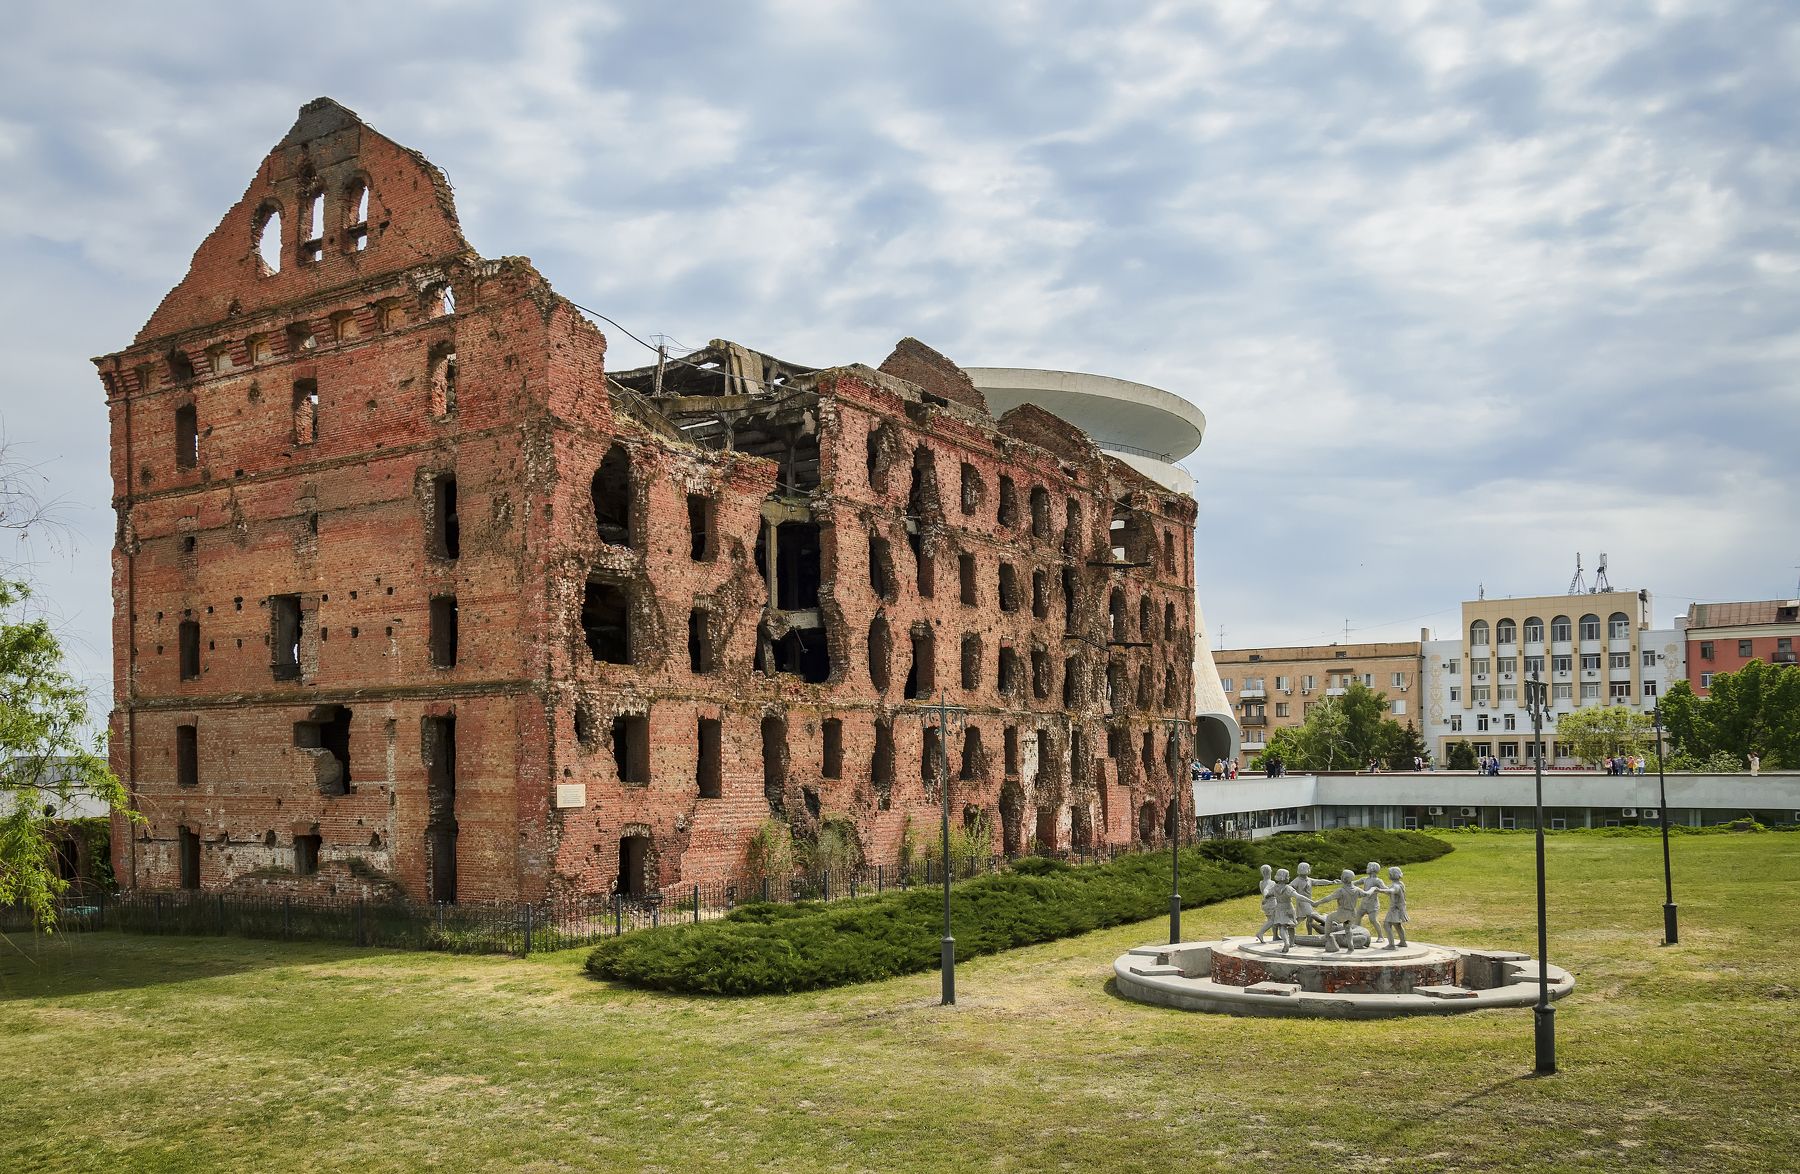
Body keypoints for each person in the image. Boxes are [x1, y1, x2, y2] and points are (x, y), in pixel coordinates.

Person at [1381, 865, 1409, 948]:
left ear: (1393, 875)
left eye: (1389, 874)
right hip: (1399, 908)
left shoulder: (1396, 886)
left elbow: (1392, 890)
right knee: (1397, 925)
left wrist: (1379, 890)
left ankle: (1391, 944)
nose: (1388, 875)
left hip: (1395, 909)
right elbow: (1389, 890)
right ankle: (1403, 942)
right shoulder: (1400, 883)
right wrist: (1382, 889)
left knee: (1387, 924)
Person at [1253, 864, 1278, 944]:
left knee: (1272, 920)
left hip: (1265, 904)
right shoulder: (1271, 882)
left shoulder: (1261, 882)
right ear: (1269, 871)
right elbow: (1265, 891)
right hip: (1271, 903)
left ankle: (1275, 936)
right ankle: (1260, 933)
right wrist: (1266, 896)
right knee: (1272, 920)